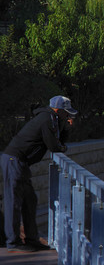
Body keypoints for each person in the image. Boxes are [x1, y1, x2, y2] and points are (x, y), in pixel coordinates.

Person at [2, 96, 77, 253]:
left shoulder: (53, 119)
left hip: (20, 163)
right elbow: (54, 146)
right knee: (13, 202)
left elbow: (59, 142)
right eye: (67, 113)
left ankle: (32, 239)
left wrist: (65, 128)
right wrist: (63, 148)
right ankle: (13, 242)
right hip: (13, 160)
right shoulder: (46, 119)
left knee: (30, 200)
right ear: (58, 110)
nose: (68, 116)